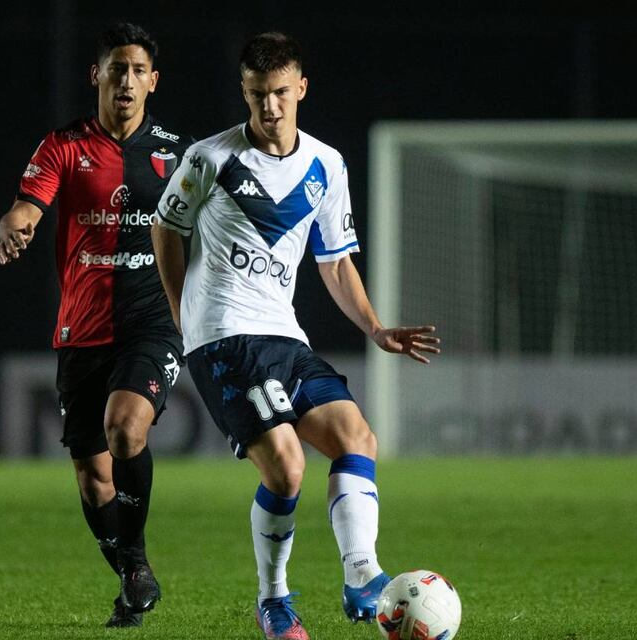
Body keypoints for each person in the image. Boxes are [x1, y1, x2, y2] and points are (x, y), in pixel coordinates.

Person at [151, 32, 440, 640]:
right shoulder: (209, 159)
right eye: (257, 94)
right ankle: (274, 599)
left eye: (281, 92)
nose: (270, 107)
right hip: (225, 337)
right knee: (285, 468)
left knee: (356, 437)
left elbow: (334, 262)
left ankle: (361, 572)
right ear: (244, 92)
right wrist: (184, 314)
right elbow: (166, 227)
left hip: (285, 336)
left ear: (301, 88)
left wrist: (375, 327)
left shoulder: (326, 165)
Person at [0, 22, 191, 628]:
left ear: (152, 81)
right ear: (97, 76)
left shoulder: (176, 154)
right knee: (91, 482)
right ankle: (133, 574)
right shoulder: (63, 146)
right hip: (82, 330)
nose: (126, 80)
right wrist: (16, 221)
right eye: (117, 69)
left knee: (126, 429)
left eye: (137, 70)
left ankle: (133, 564)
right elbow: (30, 203)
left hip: (152, 323)